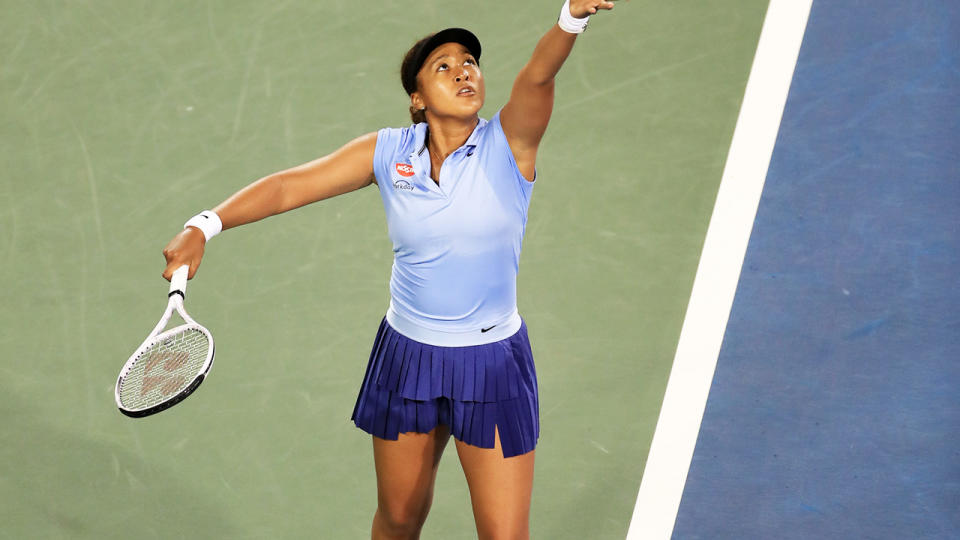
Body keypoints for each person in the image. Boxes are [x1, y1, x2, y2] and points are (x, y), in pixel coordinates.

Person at [161, 1, 617, 538]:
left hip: (490, 362)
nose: (463, 70)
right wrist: (204, 225)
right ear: (417, 99)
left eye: (470, 61)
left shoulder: (511, 142)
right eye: (443, 66)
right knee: (399, 519)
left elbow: (538, 75)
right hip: (409, 358)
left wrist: (570, 18)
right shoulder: (387, 153)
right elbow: (290, 185)